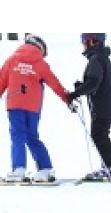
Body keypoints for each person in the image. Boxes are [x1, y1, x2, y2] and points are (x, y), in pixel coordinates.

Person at [0, 34, 71, 183]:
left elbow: (1, 81)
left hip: (15, 103)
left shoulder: (12, 60)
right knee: (32, 136)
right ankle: (45, 168)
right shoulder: (40, 64)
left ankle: (18, 169)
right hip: (33, 106)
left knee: (18, 135)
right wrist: (67, 98)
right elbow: (54, 83)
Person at [66, 33, 111, 181]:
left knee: (99, 135)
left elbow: (94, 82)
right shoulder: (100, 58)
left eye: (84, 41)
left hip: (102, 106)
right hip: (104, 105)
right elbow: (94, 82)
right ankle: (109, 166)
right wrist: (81, 88)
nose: (83, 45)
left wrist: (76, 93)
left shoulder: (96, 59)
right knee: (100, 135)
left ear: (93, 42)